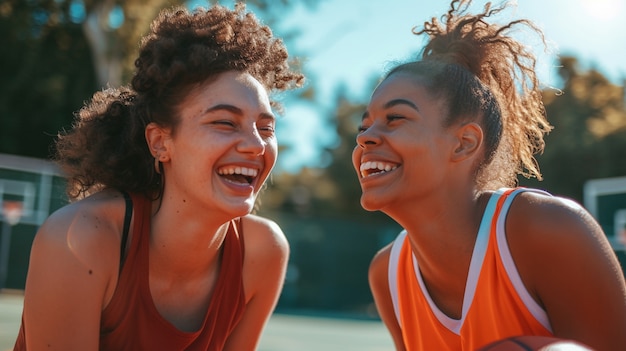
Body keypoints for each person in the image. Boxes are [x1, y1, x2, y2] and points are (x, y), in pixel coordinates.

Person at [14, 3, 303, 350]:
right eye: (225, 122)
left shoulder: (263, 252)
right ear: (160, 142)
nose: (256, 145)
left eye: (265, 128)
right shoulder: (81, 239)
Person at [352, 0, 626, 350]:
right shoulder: (387, 273)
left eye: (395, 119)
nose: (364, 137)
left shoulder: (548, 230)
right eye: (364, 125)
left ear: (464, 143)